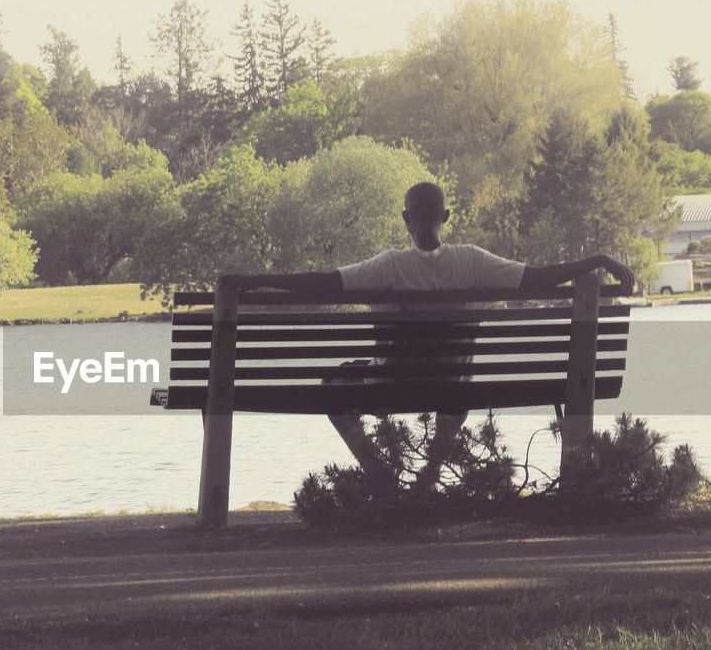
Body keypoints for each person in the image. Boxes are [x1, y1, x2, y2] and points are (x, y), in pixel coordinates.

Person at [219, 181, 635, 492]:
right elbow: (538, 280)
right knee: (459, 377)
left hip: (393, 384)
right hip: (451, 389)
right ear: (446, 216)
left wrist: (258, 280)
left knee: (334, 385)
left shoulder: (388, 267)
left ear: (405, 218)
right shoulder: (472, 262)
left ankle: (382, 477)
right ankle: (431, 475)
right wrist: (596, 259)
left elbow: (322, 284)